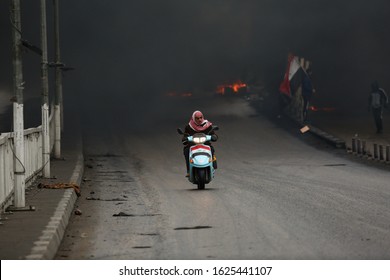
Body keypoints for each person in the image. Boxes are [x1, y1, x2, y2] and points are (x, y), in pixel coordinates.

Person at [182, 110, 218, 177]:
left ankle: (212, 166)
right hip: (192, 145)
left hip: (205, 144)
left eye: (201, 117)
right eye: (197, 118)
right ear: (193, 118)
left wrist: (214, 136)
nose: (199, 119)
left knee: (212, 149)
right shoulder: (189, 127)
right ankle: (189, 170)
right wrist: (185, 139)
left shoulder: (207, 125)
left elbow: (213, 134)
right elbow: (185, 135)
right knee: (186, 151)